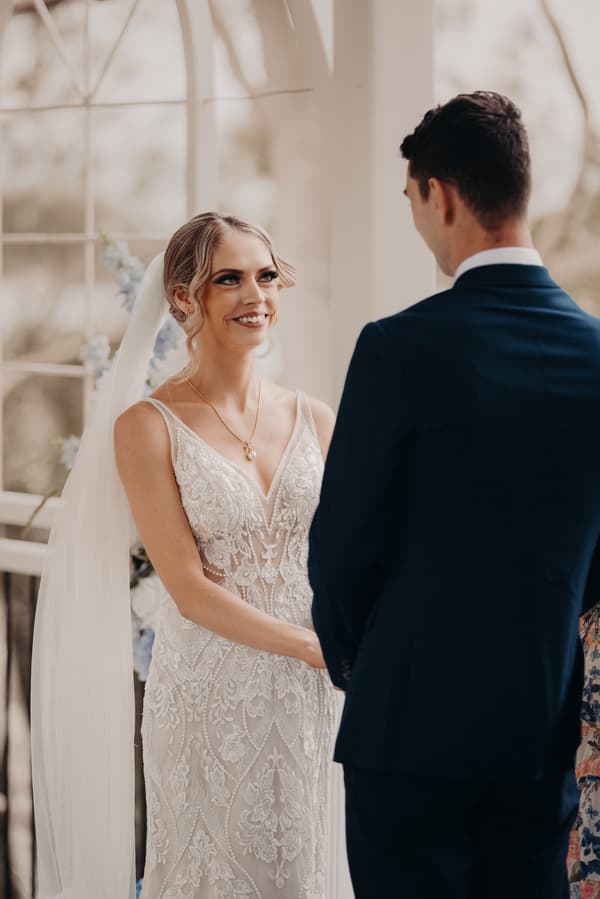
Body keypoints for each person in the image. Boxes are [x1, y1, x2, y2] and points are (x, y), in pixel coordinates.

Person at [308, 91, 600, 899]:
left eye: (410, 200)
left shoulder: (398, 348)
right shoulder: (597, 355)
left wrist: (360, 667)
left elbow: (341, 551)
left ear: (438, 193)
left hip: (406, 733)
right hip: (540, 737)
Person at [31, 213, 337, 899]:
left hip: (310, 692)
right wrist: (316, 646)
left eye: (265, 275)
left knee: (304, 869)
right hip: (211, 690)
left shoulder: (316, 418)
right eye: (227, 278)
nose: (254, 293)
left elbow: (351, 553)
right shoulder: (146, 427)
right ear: (181, 298)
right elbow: (188, 587)